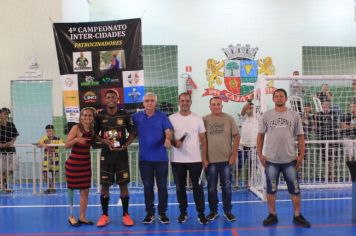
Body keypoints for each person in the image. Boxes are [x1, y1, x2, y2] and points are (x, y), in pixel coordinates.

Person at [257, 88, 311, 228]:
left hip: (289, 160)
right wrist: (259, 154)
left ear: (285, 99)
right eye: (276, 96)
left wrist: (301, 155)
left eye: (281, 96)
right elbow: (260, 135)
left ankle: (297, 215)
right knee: (271, 190)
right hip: (271, 160)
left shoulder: (294, 115)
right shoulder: (266, 115)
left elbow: (300, 136)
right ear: (273, 99)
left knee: (295, 189)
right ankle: (272, 214)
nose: (279, 98)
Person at [95, 89, 136, 227]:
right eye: (108, 97)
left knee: (123, 184)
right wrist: (105, 142)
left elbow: (133, 133)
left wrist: (125, 145)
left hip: (121, 156)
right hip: (106, 156)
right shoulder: (100, 116)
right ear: (105, 100)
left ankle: (126, 215)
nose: (111, 99)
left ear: (117, 99)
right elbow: (95, 135)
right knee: (104, 186)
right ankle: (105, 215)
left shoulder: (125, 115)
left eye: (113, 97)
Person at [132, 92, 173, 224]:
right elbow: (123, 123)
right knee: (148, 187)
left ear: (155, 102)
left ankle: (162, 213)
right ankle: (150, 213)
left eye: (152, 100)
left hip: (161, 159)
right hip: (145, 160)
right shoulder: (136, 117)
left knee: (162, 187)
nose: (149, 103)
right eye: (147, 101)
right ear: (143, 103)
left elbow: (168, 131)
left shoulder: (162, 116)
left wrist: (168, 139)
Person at [168, 92, 209, 225]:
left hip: (195, 160)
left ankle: (201, 213)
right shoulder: (172, 118)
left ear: (190, 102)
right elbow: (169, 137)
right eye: (182, 101)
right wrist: (175, 143)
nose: (185, 103)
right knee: (180, 188)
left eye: (187, 101)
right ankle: (183, 213)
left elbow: (203, 140)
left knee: (198, 187)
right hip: (177, 160)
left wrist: (204, 158)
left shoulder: (198, 118)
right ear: (179, 102)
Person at [203, 96, 239, 222]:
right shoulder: (204, 120)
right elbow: (202, 141)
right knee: (211, 188)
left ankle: (228, 211)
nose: (216, 106)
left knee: (227, 188)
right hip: (210, 161)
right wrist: (204, 159)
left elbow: (236, 136)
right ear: (210, 106)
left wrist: (234, 155)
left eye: (218, 104)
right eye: (214, 104)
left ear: (222, 106)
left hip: (226, 161)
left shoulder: (229, 119)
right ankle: (213, 212)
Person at [64, 107, 96, 226]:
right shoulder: (76, 128)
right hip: (74, 165)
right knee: (71, 190)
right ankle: (71, 216)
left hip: (86, 164)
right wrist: (77, 139)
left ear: (93, 118)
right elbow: (66, 145)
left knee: (85, 191)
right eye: (85, 115)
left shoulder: (92, 130)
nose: (87, 117)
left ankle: (82, 217)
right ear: (81, 116)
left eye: (89, 115)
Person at [238, 100, 258, 187]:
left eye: (251, 108)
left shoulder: (258, 118)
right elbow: (243, 110)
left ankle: (249, 183)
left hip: (254, 146)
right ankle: (236, 183)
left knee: (252, 166)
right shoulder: (243, 118)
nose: (250, 110)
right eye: (248, 108)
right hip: (243, 146)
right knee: (239, 165)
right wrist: (250, 101)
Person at [37, 124, 63, 194]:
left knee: (54, 173)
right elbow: (38, 144)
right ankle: (49, 187)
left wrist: (54, 147)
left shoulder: (57, 138)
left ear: (53, 131)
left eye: (50, 131)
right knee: (45, 173)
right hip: (47, 158)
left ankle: (53, 188)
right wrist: (43, 145)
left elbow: (63, 144)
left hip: (55, 158)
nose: (49, 133)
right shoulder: (44, 138)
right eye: (47, 131)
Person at [0, 107, 19, 192]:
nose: (6, 115)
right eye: (4, 113)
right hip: (1, 151)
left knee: (13, 168)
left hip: (10, 149)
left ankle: (2, 182)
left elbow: (15, 136)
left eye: (7, 114)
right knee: (2, 169)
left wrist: (10, 143)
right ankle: (4, 187)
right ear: (0, 114)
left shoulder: (11, 125)